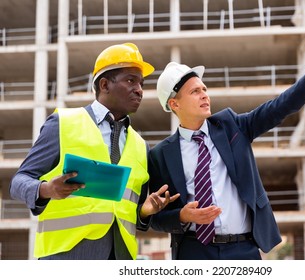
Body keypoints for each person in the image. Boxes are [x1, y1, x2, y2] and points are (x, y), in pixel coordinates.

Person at [147, 37, 305, 260]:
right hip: (193, 251)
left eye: (204, 88)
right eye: (195, 91)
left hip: (242, 249)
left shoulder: (232, 126)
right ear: (174, 104)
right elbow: (155, 218)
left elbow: (279, 107)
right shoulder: (161, 155)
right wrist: (182, 216)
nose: (205, 94)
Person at [9, 42, 179, 260]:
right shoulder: (63, 123)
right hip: (66, 256)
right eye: (130, 80)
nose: (139, 90)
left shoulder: (140, 145)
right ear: (105, 84)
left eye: (141, 83)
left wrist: (146, 210)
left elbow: (129, 214)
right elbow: (19, 181)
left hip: (121, 257)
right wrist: (46, 190)